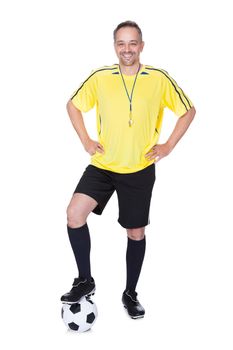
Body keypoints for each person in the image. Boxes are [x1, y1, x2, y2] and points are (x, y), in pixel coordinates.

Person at [60, 20, 196, 319]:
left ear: (141, 46)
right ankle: (85, 280)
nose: (127, 49)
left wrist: (169, 145)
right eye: (121, 43)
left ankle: (130, 293)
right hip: (104, 165)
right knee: (74, 214)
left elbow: (188, 110)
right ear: (115, 46)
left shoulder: (159, 78)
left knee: (135, 233)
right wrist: (85, 139)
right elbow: (73, 105)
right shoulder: (100, 76)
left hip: (138, 169)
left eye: (132, 43)